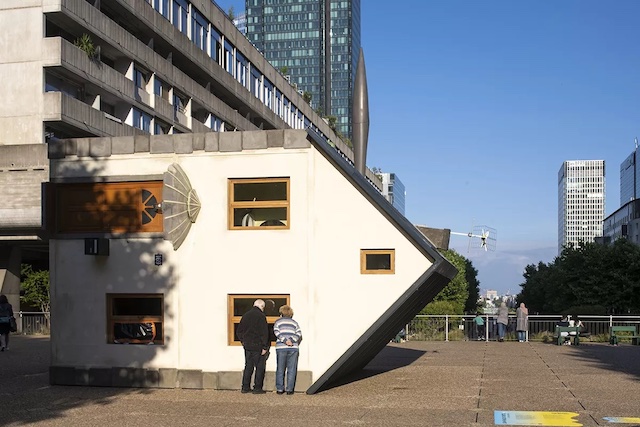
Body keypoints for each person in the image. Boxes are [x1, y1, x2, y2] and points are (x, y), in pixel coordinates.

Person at [236, 299, 270, 394]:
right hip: (258, 345)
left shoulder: (246, 315)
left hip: (247, 345)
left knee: (248, 366)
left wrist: (243, 340)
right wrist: (265, 347)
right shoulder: (261, 316)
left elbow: (239, 331)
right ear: (262, 306)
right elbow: (264, 333)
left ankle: (245, 387)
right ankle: (257, 388)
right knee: (259, 367)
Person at [273, 305, 302, 395]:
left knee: (280, 369)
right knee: (292, 369)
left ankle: (280, 389)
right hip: (293, 348)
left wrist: (285, 341)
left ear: (281, 313)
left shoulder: (278, 322)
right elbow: (299, 333)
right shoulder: (294, 323)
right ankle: (290, 389)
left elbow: (276, 332)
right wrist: (291, 340)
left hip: (281, 348)